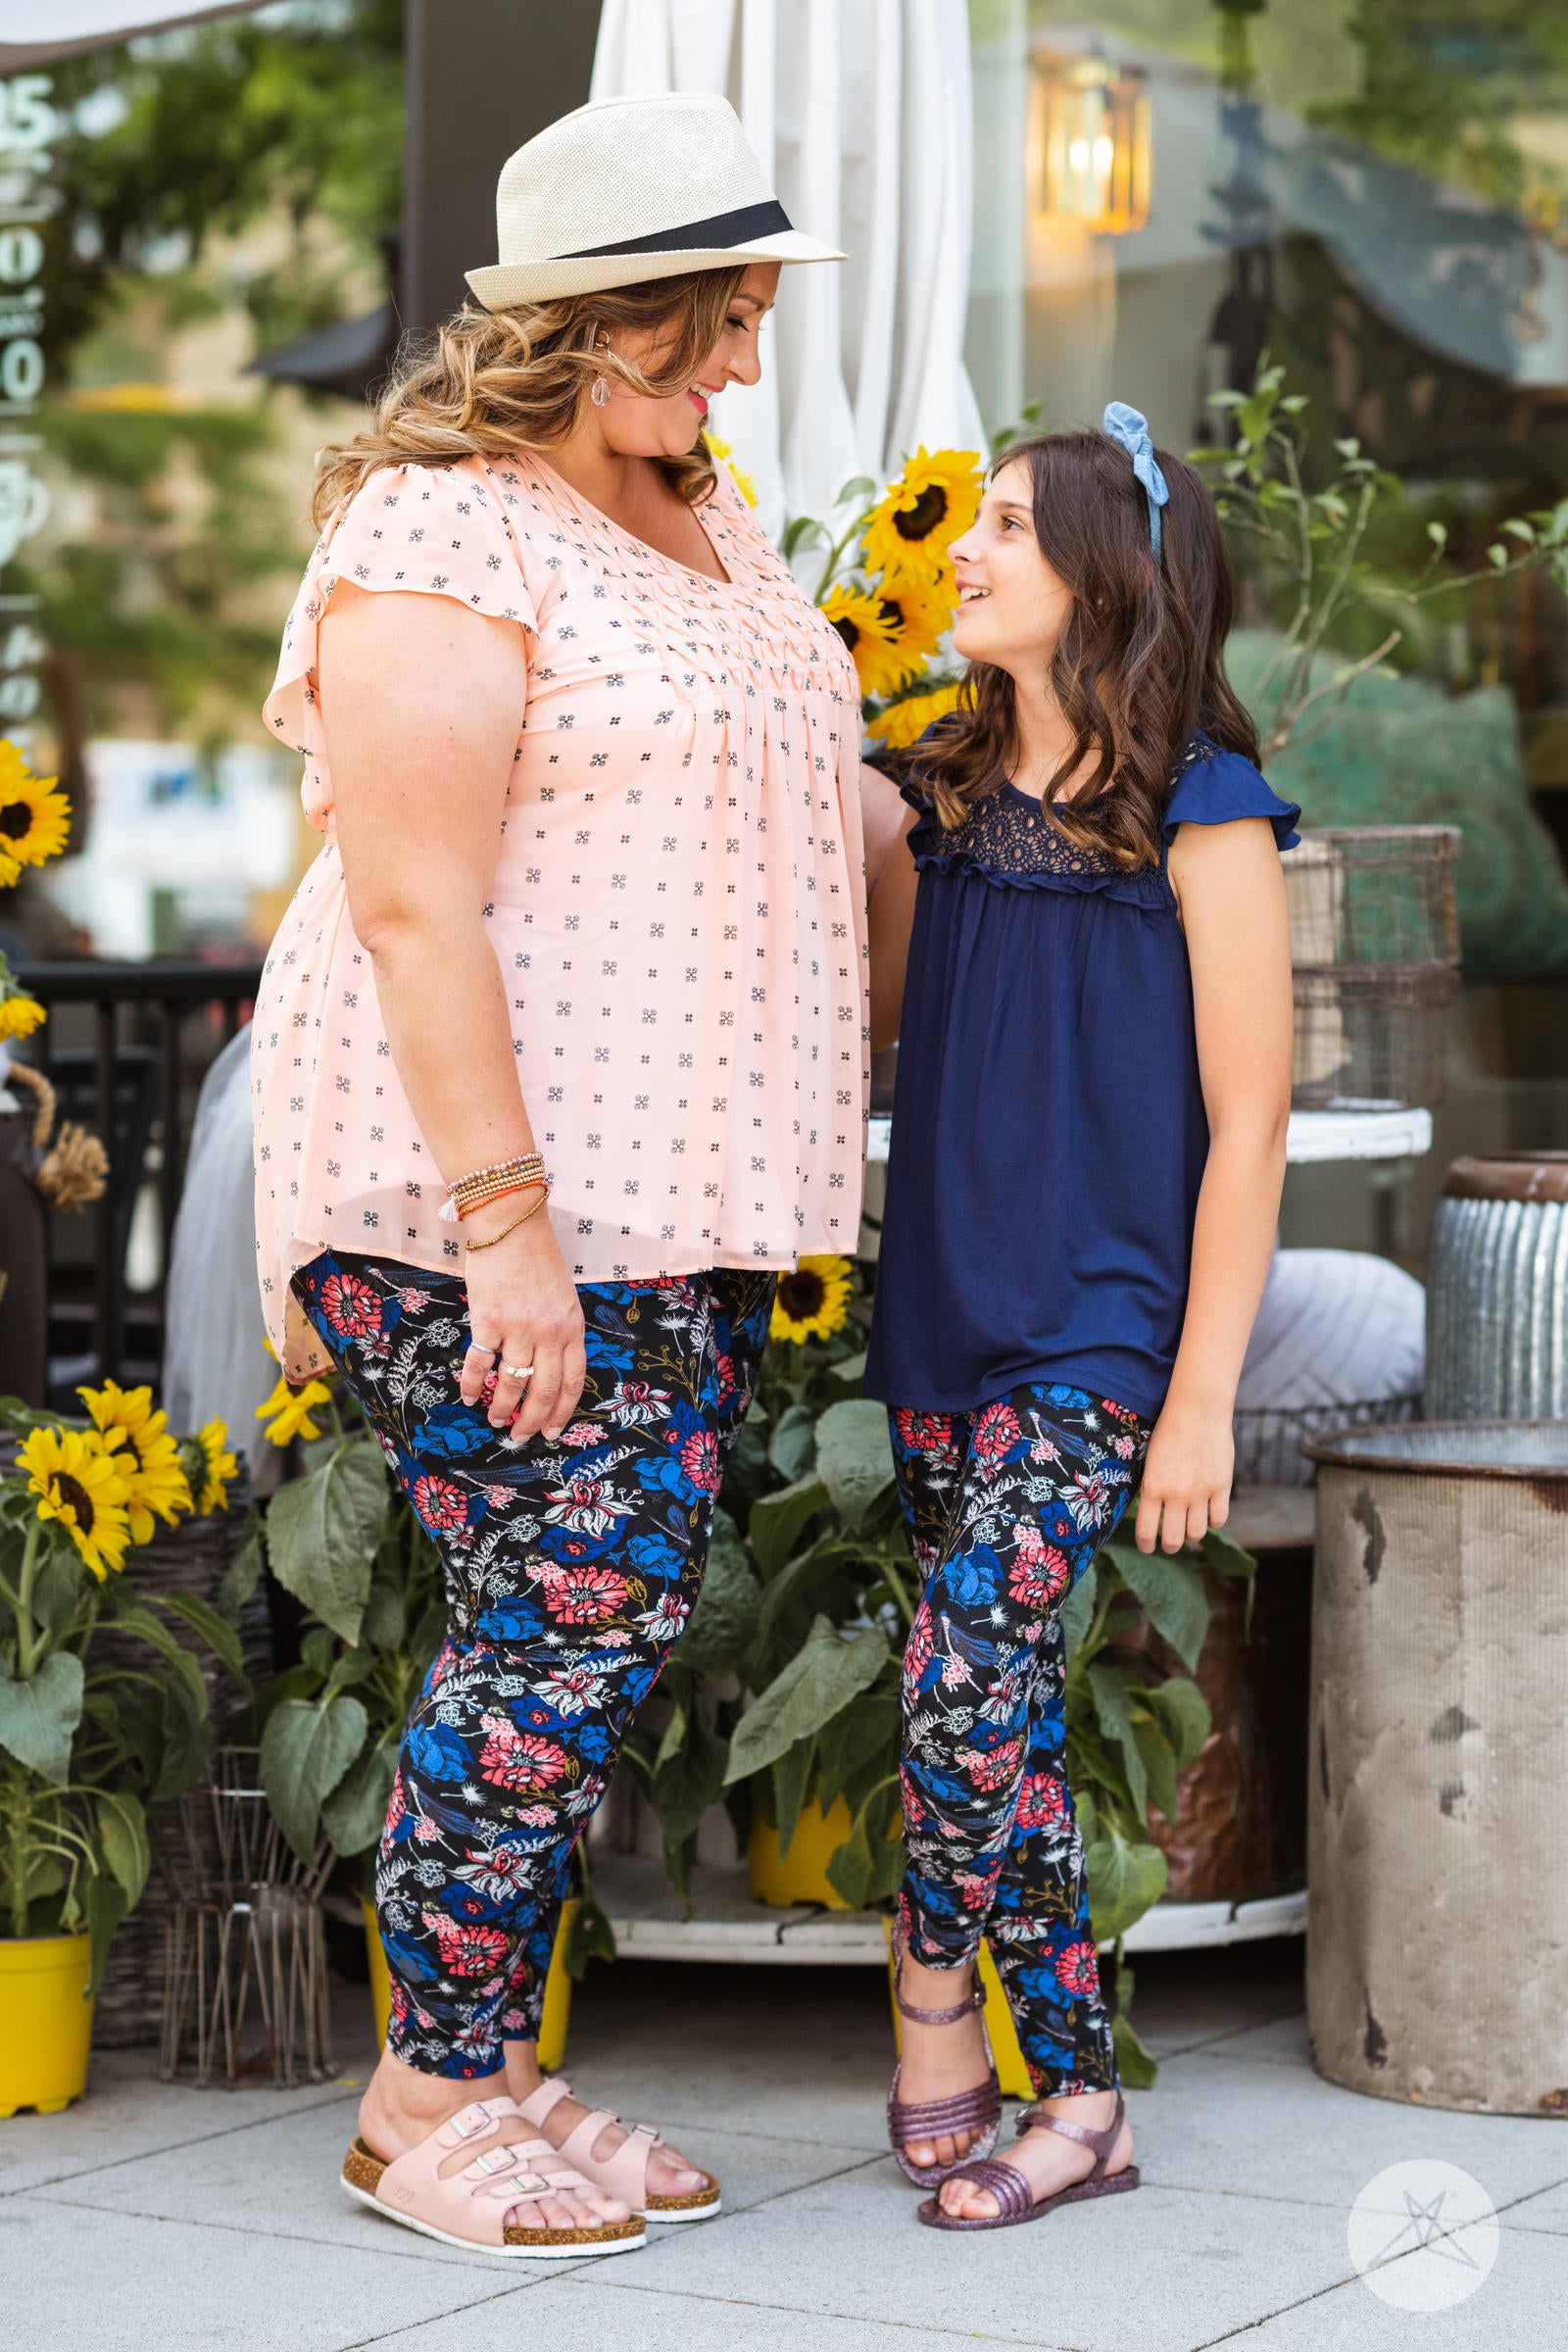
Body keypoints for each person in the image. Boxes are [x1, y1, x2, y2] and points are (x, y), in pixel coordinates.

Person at [251, 91, 859, 2260]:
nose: (743, 367)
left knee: (573, 1620)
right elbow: (414, 902)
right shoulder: (443, 528)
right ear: (599, 322)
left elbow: (804, 803)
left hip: (662, 1201)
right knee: (565, 1614)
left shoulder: (710, 524)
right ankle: (420, 2094)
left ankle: (489, 2065)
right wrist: (509, 1233)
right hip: (467, 1200)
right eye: (715, 323)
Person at [858, 406, 1298, 2230]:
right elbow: (884, 1023)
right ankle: (1090, 2104)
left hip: (1100, 1323)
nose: (963, 549)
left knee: (963, 1694)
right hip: (948, 1305)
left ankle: (935, 1997)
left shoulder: (1204, 808)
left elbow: (1254, 1121)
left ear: (1103, 577)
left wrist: (1197, 1400)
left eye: (1010, 529)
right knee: (1006, 1716)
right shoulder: (932, 795)